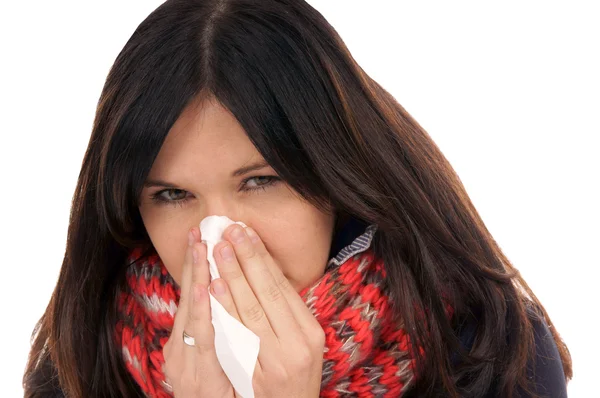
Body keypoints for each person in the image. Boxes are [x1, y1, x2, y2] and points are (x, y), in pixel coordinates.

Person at [23, 0, 573, 397]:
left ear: (337, 177)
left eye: (260, 181)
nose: (219, 241)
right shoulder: (81, 358)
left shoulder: (491, 353)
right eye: (172, 194)